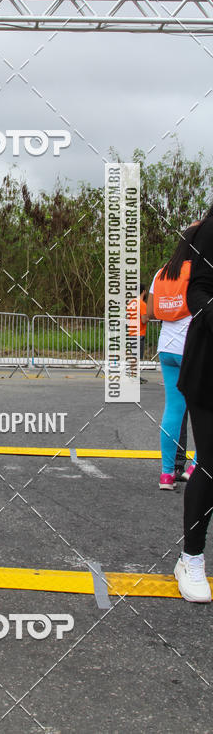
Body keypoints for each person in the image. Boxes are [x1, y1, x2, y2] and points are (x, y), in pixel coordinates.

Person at [175, 207, 213, 602]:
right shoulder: (210, 231)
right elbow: (197, 292)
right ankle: (192, 558)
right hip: (208, 371)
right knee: (212, 464)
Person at [147, 233, 195, 491]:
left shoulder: (162, 272)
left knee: (173, 410)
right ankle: (196, 465)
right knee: (204, 408)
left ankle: (166, 474)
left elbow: (152, 312)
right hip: (191, 347)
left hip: (166, 347)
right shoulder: (197, 270)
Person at [127, 284, 148, 383]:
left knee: (134, 356)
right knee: (137, 357)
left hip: (132, 332)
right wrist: (149, 317)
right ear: (143, 291)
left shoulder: (131, 303)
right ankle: (135, 377)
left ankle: (134, 375)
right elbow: (144, 320)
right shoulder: (142, 304)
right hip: (139, 333)